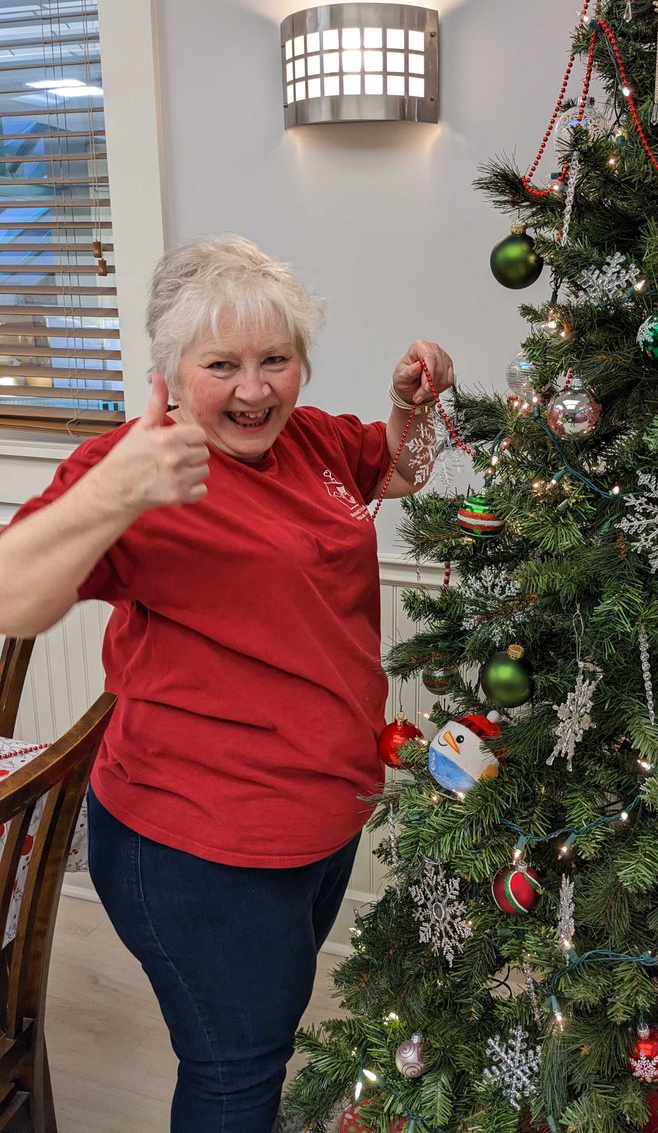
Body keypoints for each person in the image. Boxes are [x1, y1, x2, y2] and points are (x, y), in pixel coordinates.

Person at [0, 234, 454, 1133]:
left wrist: (411, 413)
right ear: (171, 368)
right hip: (201, 852)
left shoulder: (311, 439)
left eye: (275, 360)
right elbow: (12, 595)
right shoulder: (138, 468)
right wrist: (113, 495)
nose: (255, 390)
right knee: (237, 1077)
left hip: (318, 826)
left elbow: (398, 471)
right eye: (222, 365)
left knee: (261, 1044)